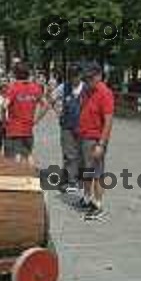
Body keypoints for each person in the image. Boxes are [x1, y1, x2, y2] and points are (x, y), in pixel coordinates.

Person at [77, 64, 114, 221]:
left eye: (90, 78)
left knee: (97, 173)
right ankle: (87, 197)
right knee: (86, 171)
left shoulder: (104, 93)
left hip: (95, 138)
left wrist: (101, 144)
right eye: (86, 78)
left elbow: (108, 121)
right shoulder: (87, 91)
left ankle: (98, 204)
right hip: (84, 136)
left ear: (99, 76)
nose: (87, 81)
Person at [3, 62, 49, 163]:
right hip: (28, 128)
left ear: (15, 74)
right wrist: (36, 120)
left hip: (14, 128)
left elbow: (4, 106)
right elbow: (46, 105)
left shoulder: (13, 88)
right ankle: (32, 176)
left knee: (16, 157)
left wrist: (4, 120)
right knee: (28, 154)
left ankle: (19, 176)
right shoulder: (35, 88)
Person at [50, 64, 85, 193]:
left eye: (75, 76)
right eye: (71, 76)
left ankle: (79, 179)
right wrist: (58, 111)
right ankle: (70, 181)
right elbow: (51, 98)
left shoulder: (86, 88)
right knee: (69, 154)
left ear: (80, 75)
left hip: (83, 126)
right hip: (67, 126)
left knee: (82, 153)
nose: (73, 79)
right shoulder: (64, 87)